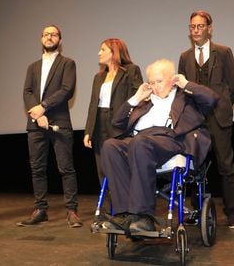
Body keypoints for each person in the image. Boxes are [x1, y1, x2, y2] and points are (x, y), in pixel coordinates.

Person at [99, 59, 219, 232]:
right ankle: (126, 215)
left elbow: (211, 99)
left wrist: (185, 84)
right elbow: (117, 122)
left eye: (159, 81)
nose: (155, 86)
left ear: (172, 79)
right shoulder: (143, 102)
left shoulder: (185, 98)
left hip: (169, 138)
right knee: (110, 146)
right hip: (139, 140)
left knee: (140, 142)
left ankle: (143, 216)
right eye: (151, 82)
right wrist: (136, 97)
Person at [178, 10, 234, 229]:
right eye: (192, 27)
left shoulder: (223, 53)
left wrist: (222, 106)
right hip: (195, 120)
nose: (195, 30)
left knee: (226, 166)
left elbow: (233, 87)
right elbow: (181, 88)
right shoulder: (185, 57)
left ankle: (233, 214)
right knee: (196, 168)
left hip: (218, 118)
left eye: (200, 26)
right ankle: (198, 212)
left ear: (209, 28)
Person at [18, 24, 82, 228]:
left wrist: (43, 107)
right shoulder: (32, 67)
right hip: (36, 124)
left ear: (60, 41)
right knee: (37, 168)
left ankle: (71, 210)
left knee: (66, 168)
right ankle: (40, 210)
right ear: (41, 39)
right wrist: (37, 115)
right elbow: (27, 92)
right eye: (46, 34)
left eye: (53, 34)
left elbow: (66, 90)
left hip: (59, 122)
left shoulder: (67, 63)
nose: (49, 37)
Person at [83, 38, 143, 183]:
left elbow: (140, 96)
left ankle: (125, 202)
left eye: (103, 50)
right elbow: (93, 104)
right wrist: (88, 131)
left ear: (114, 52)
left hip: (120, 123)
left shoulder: (130, 71)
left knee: (120, 164)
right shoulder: (98, 77)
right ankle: (109, 203)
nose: (99, 53)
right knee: (102, 165)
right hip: (100, 123)